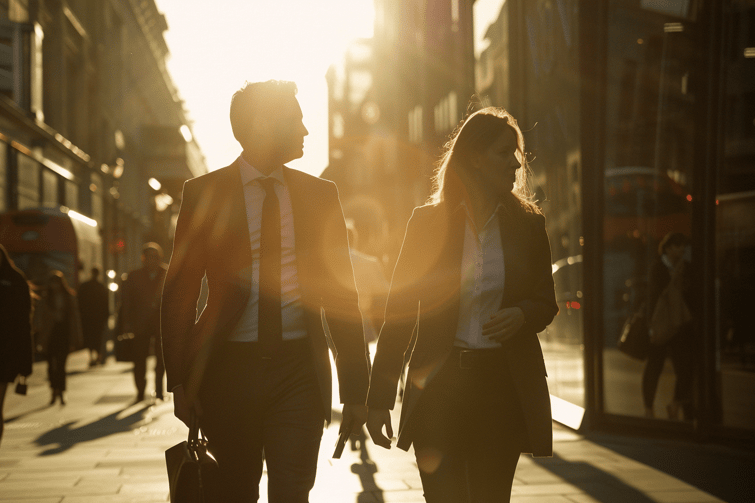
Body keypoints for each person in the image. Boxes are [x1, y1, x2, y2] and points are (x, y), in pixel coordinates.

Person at [160, 80, 370, 502]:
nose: (306, 130)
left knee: (293, 490)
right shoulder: (204, 193)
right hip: (227, 371)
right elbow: (180, 292)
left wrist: (356, 390)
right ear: (260, 124)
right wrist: (179, 383)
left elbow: (342, 297)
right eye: (295, 120)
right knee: (236, 490)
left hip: (299, 372)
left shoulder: (320, 195)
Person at [366, 107, 559, 502]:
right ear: (474, 156)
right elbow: (399, 314)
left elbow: (546, 301)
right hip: (440, 388)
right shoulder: (427, 224)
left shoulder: (528, 226)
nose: (515, 163)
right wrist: (378, 399)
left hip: (501, 388)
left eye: (517, 153)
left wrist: (522, 314)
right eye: (504, 152)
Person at [642, 231, 695, 421]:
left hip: (679, 325)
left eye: (683, 246)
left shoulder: (687, 268)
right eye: (677, 246)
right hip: (662, 325)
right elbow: (652, 299)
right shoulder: (658, 268)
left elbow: (690, 296)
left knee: (685, 368)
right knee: (654, 368)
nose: (681, 250)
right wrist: (651, 327)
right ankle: (649, 408)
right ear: (668, 248)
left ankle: (676, 403)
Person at [120, 243, 167, 402]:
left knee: (162, 360)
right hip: (140, 324)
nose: (151, 260)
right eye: (148, 257)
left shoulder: (167, 274)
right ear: (143, 258)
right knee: (139, 359)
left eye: (155, 257)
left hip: (161, 323)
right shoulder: (134, 276)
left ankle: (159, 391)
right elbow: (126, 302)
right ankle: (140, 391)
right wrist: (126, 322)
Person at [0, 245, 33, 446]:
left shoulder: (14, 280)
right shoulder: (16, 279)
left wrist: (24, 361)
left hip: (5, 352)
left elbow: (23, 322)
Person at [44, 271, 81, 405]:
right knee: (50, 366)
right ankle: (53, 390)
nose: (55, 286)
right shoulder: (46, 298)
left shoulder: (69, 297)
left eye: (57, 282)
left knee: (61, 366)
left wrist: (75, 339)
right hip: (50, 335)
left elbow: (74, 320)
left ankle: (61, 392)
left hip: (63, 334)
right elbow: (40, 320)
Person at [77, 267, 110, 367]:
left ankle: (93, 356)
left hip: (89, 317)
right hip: (97, 317)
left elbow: (79, 301)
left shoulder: (85, 286)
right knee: (97, 337)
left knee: (90, 337)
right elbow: (106, 303)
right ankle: (97, 356)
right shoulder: (101, 286)